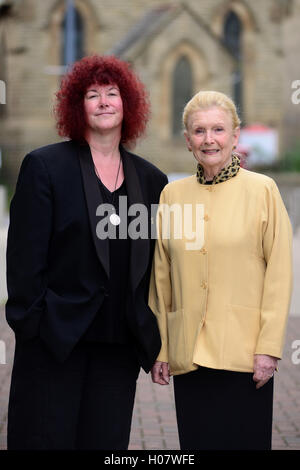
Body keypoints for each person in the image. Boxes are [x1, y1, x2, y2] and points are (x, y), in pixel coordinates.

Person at [6, 55, 168, 450]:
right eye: (92, 95)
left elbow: (155, 266)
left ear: (127, 104)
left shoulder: (151, 180)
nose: (103, 102)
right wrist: (35, 327)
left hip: (118, 348)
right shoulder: (45, 166)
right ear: (77, 107)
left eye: (112, 93)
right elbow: (24, 262)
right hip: (56, 343)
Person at [149, 90, 293, 450]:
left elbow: (279, 272)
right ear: (187, 140)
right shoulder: (172, 196)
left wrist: (268, 347)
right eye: (199, 131)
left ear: (235, 136)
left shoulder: (263, 190)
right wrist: (162, 347)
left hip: (245, 354)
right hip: (189, 353)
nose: (208, 139)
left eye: (217, 129)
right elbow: (161, 277)